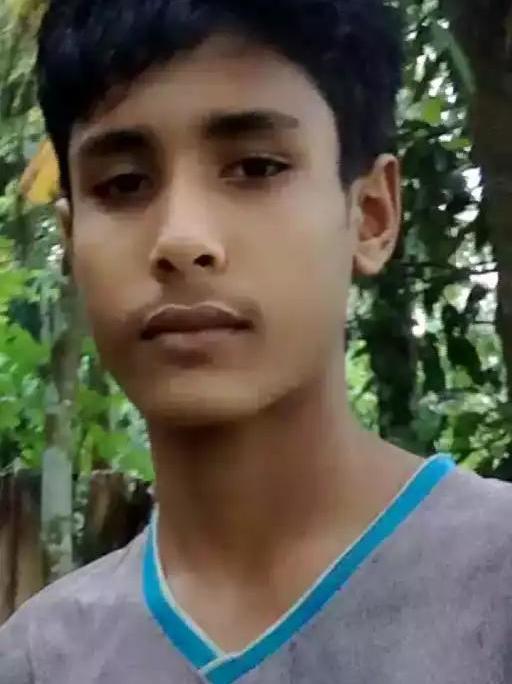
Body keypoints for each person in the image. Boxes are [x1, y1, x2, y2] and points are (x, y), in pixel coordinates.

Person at [1, 1, 511, 682]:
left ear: (371, 216)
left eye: (257, 168)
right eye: (123, 184)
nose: (181, 239)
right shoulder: (41, 659)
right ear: (71, 242)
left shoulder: (493, 585)